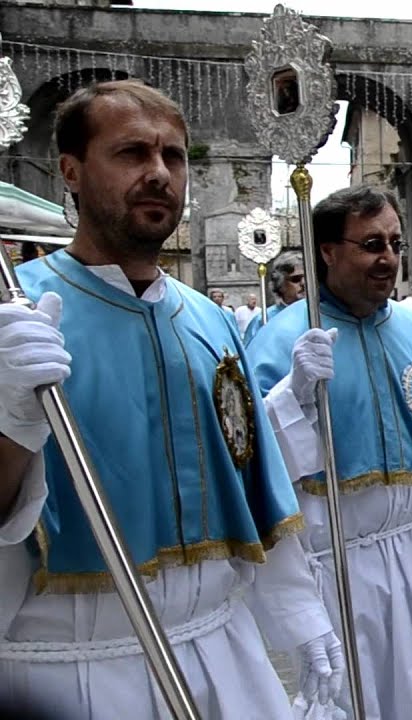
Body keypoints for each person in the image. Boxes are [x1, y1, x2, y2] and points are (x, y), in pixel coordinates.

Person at [0, 79, 340, 718]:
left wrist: (300, 612)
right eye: (132, 153)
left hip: (221, 651)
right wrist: (12, 420)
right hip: (75, 672)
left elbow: (250, 475)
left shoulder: (210, 320)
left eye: (173, 156)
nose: (159, 173)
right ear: (71, 171)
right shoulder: (15, 319)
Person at [247, 185, 412, 719]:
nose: (388, 257)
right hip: (344, 568)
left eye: (394, 243)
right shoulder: (282, 342)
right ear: (327, 251)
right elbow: (256, 474)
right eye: (371, 245)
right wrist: (291, 397)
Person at [243, 250, 305, 346]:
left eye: (308, 278)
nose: (303, 283)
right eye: (296, 279)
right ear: (280, 284)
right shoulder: (264, 319)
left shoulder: (322, 313)